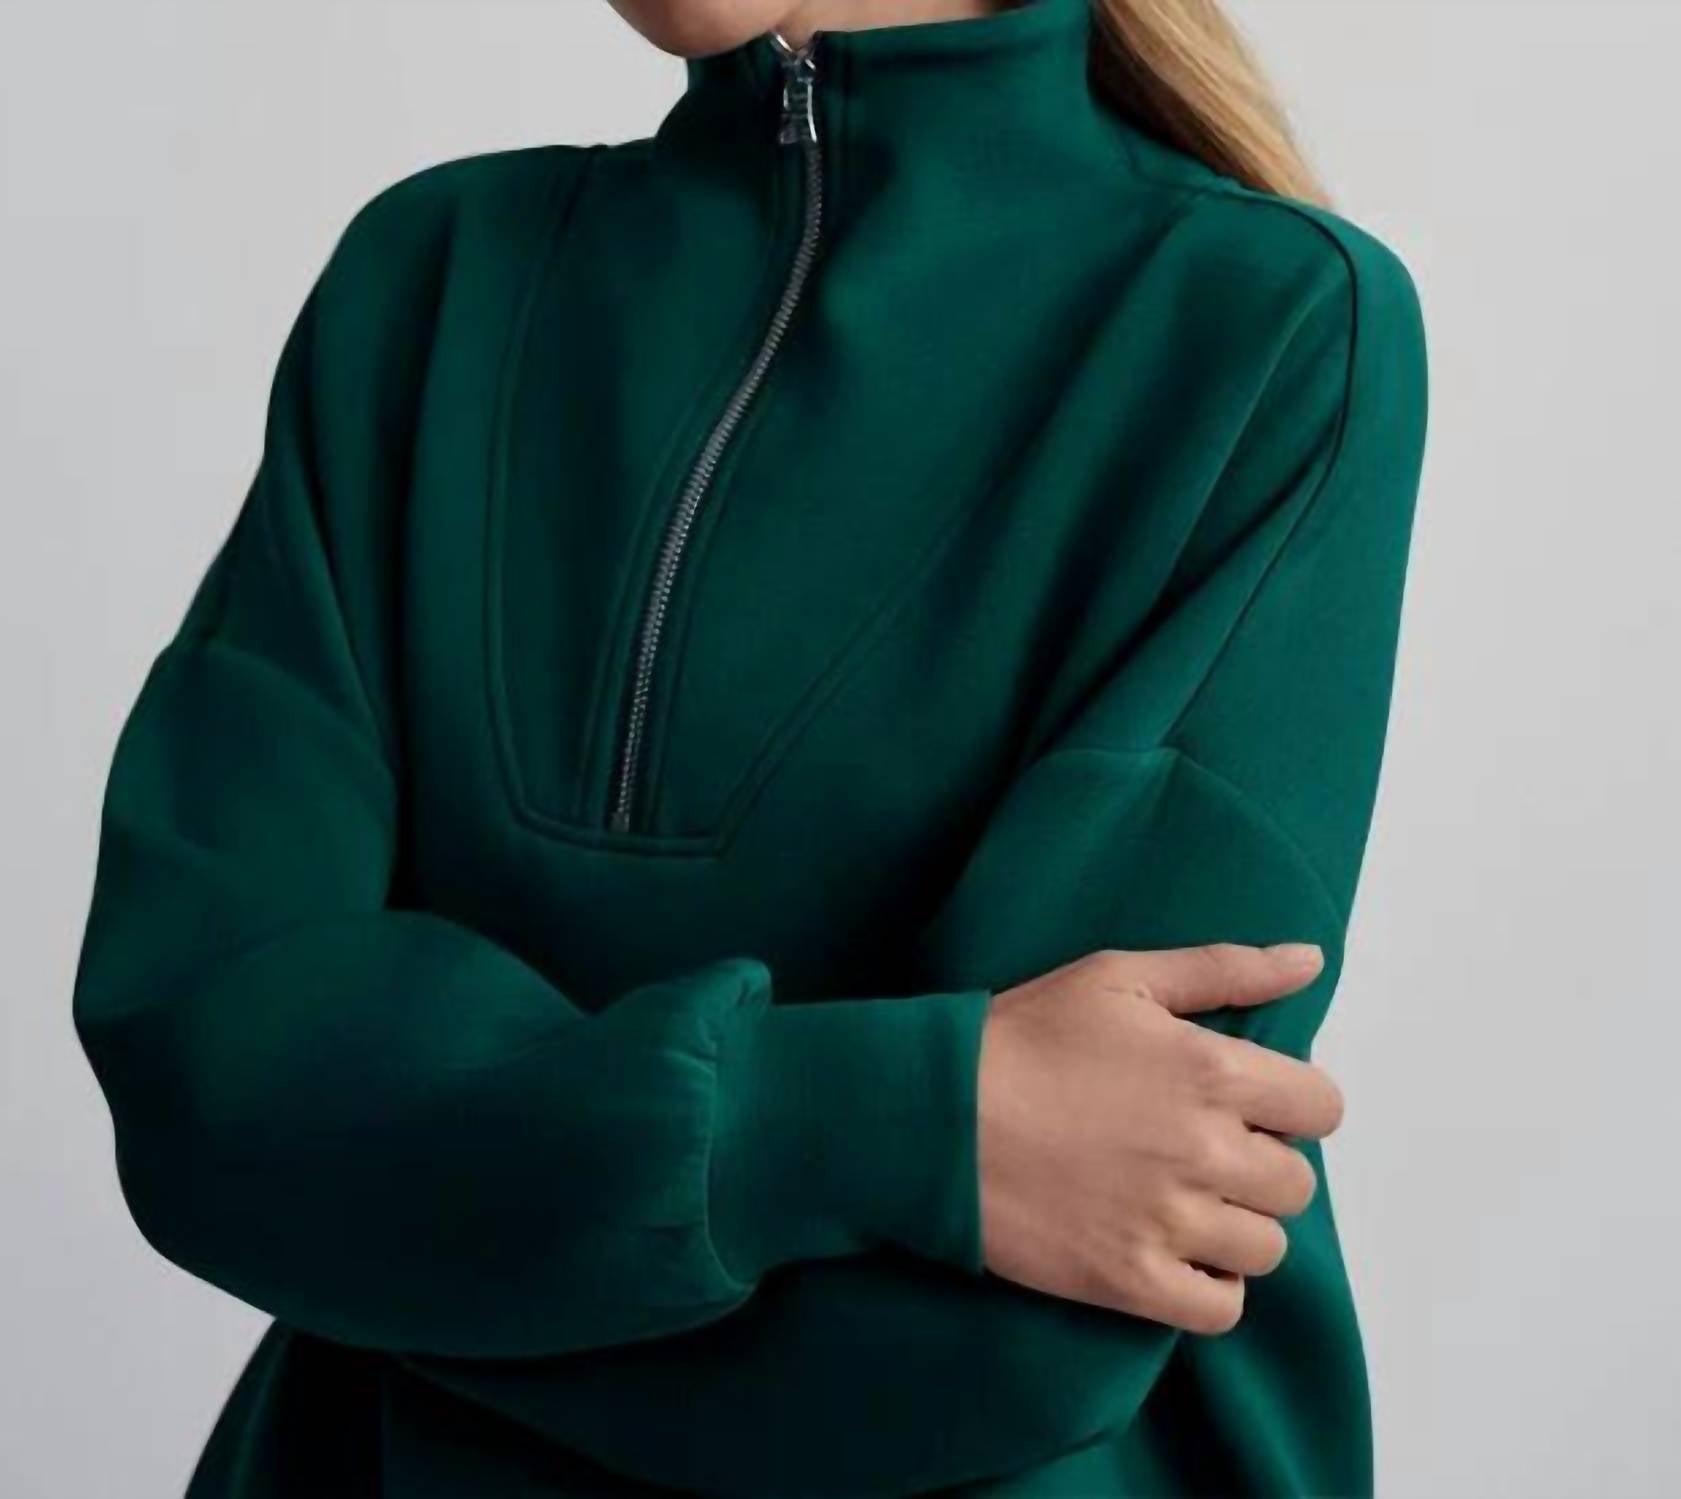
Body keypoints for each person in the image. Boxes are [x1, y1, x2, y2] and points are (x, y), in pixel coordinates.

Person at [70, 0, 1429, 1493]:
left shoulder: (1258, 331)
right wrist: (889, 1129)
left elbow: (1011, 1341)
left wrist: (431, 1218)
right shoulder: (428, 284)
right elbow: (208, 1076)